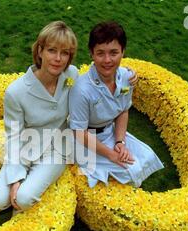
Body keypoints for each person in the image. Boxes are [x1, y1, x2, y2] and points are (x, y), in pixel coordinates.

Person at [0, 21, 138, 215]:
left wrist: (128, 74)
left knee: (24, 199)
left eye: (65, 53)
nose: (58, 59)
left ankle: (29, 187)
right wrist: (15, 179)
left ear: (70, 56)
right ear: (40, 50)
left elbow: (99, 74)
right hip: (26, 145)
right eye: (52, 50)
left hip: (58, 148)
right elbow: (14, 136)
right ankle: (18, 181)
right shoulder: (15, 92)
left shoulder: (72, 75)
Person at [68, 21, 164, 188]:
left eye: (114, 53)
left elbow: (123, 111)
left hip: (111, 133)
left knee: (147, 156)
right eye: (100, 53)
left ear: (123, 52)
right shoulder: (81, 90)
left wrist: (120, 143)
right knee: (129, 168)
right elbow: (79, 133)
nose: (107, 60)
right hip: (86, 140)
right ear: (91, 53)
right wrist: (111, 155)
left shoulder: (127, 77)